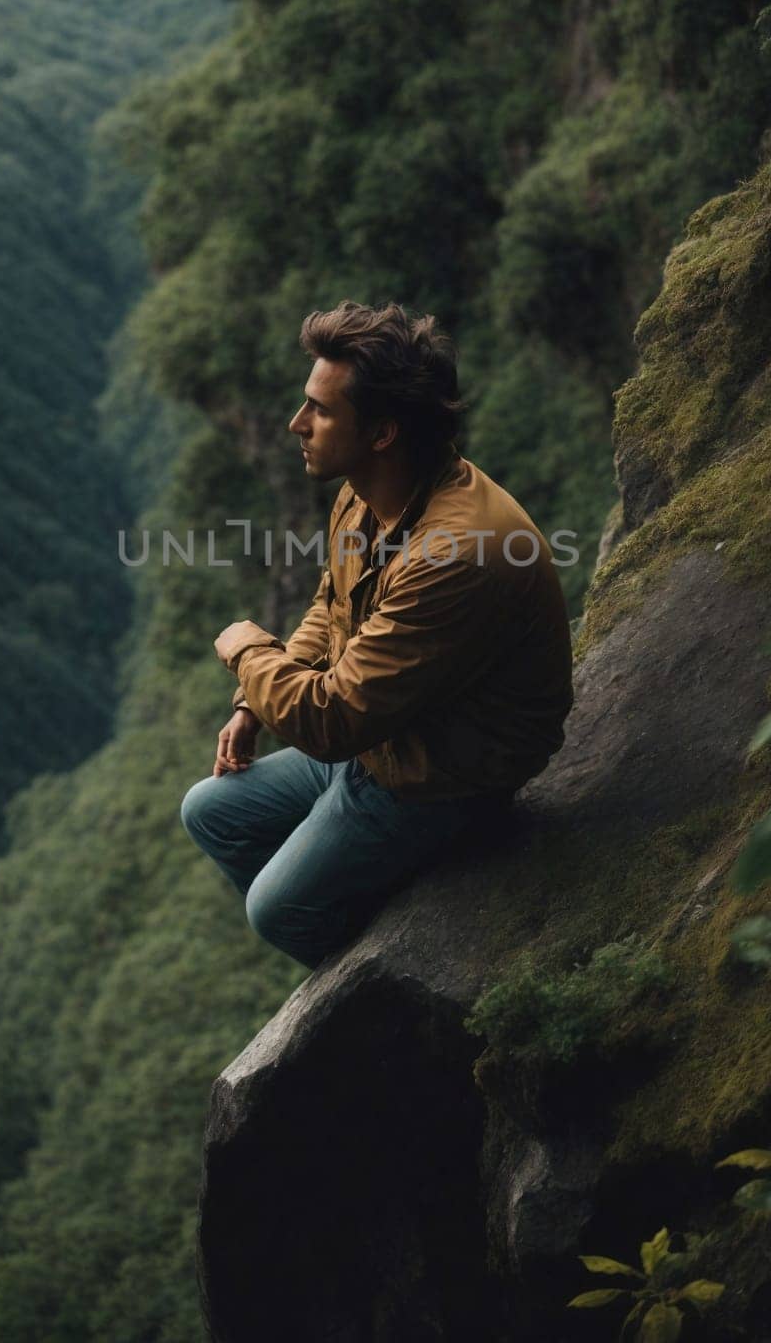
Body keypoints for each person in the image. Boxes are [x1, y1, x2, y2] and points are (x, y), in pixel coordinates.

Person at [180, 300, 574, 968]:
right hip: (389, 737)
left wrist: (244, 647)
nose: (295, 424)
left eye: (320, 411)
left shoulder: (453, 551)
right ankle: (363, 895)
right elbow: (329, 605)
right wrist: (254, 702)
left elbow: (333, 722)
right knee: (210, 809)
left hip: (444, 774)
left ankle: (394, 973)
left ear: (382, 432)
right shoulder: (365, 492)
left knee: (276, 910)